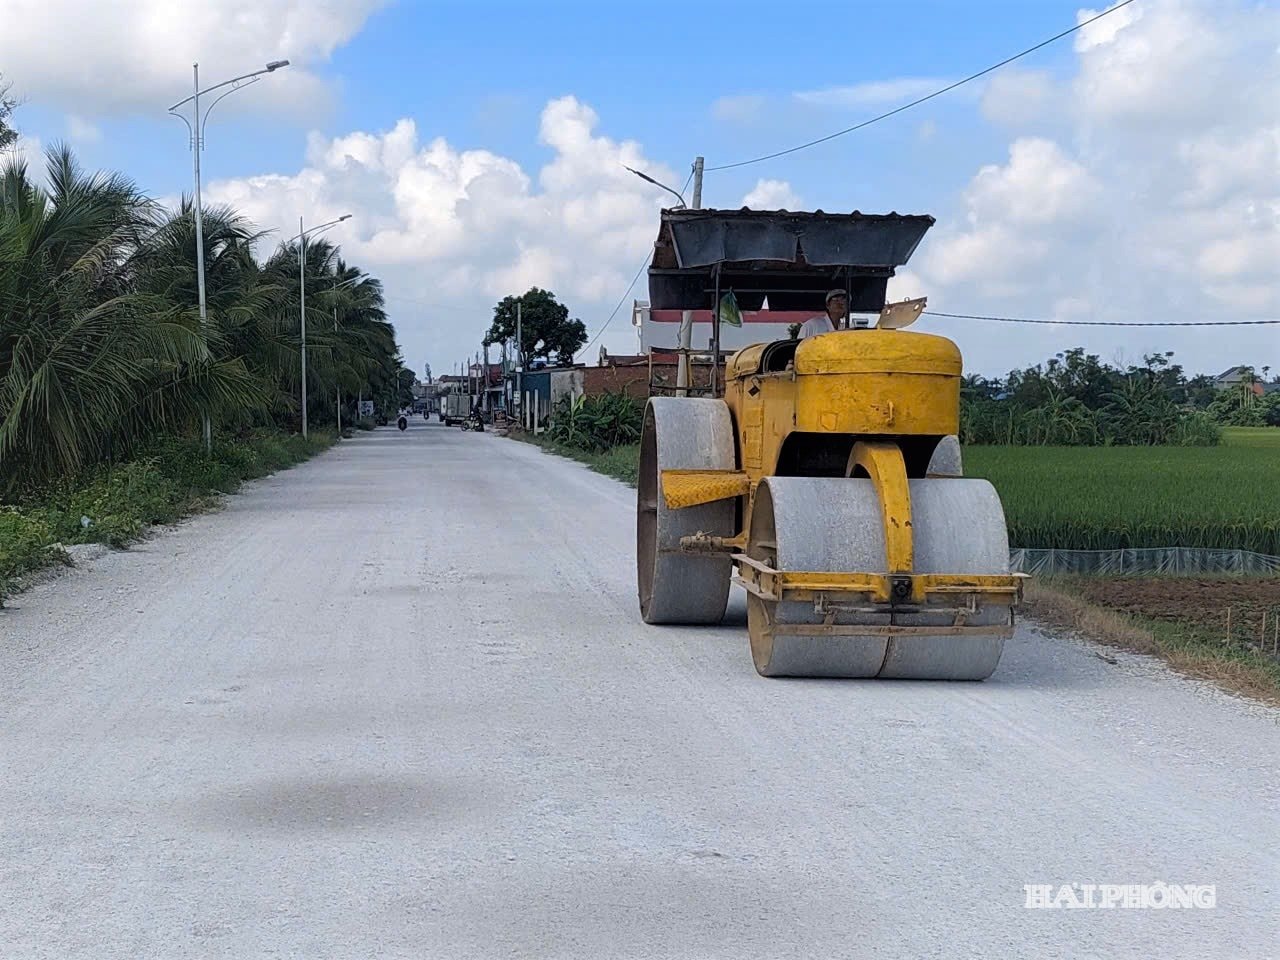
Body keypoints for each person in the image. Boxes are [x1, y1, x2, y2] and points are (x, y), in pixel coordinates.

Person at [797, 288, 869, 338]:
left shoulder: (845, 329)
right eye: (836, 300)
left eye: (844, 301)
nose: (841, 303)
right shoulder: (812, 325)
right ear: (828, 305)